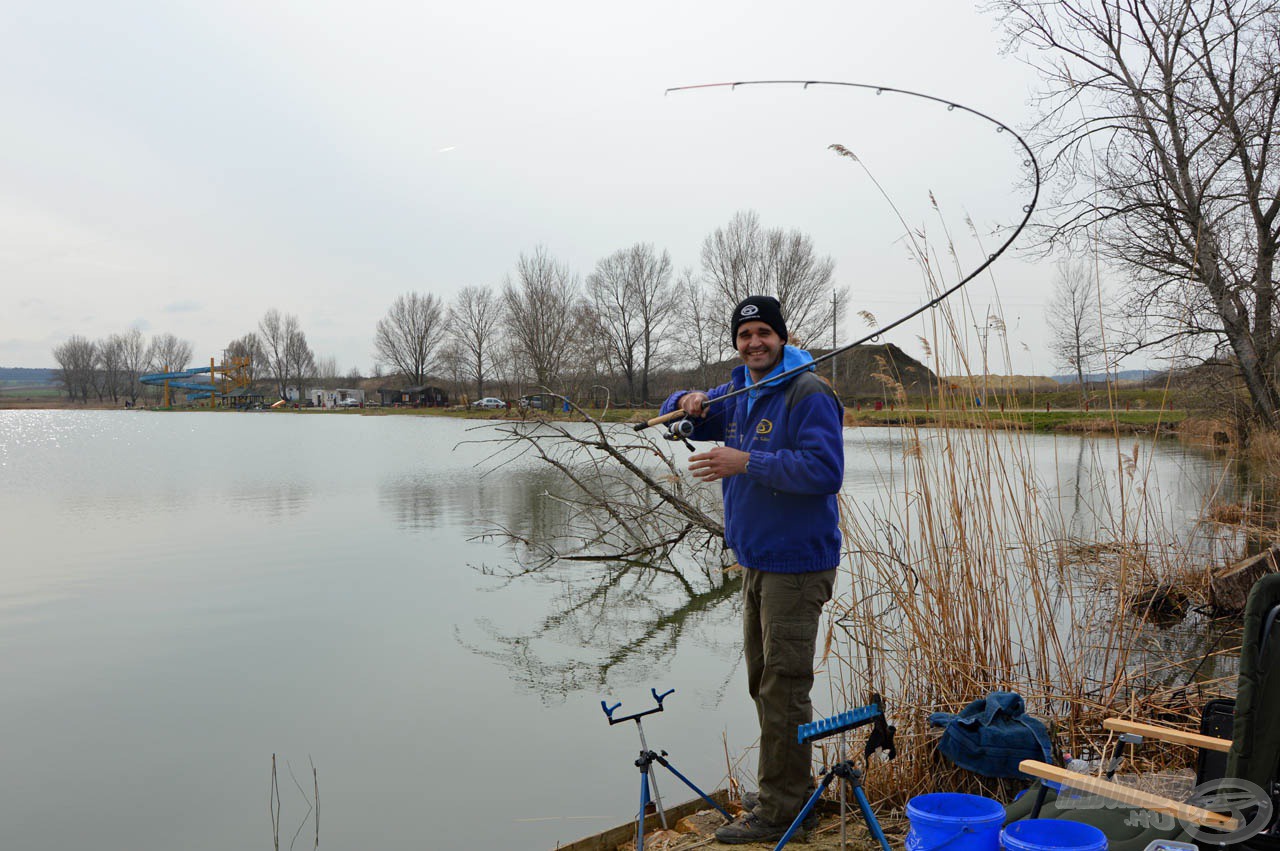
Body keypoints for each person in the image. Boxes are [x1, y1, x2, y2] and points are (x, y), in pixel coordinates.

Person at [659, 295, 844, 845]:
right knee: (764, 684)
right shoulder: (741, 389)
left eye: (764, 332)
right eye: (745, 335)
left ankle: (782, 811)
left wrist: (745, 462)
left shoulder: (807, 392)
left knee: (784, 689)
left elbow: (824, 470)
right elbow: (681, 412)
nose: (754, 343)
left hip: (797, 565)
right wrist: (685, 399)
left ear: (781, 337)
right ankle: (787, 789)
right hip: (758, 561)